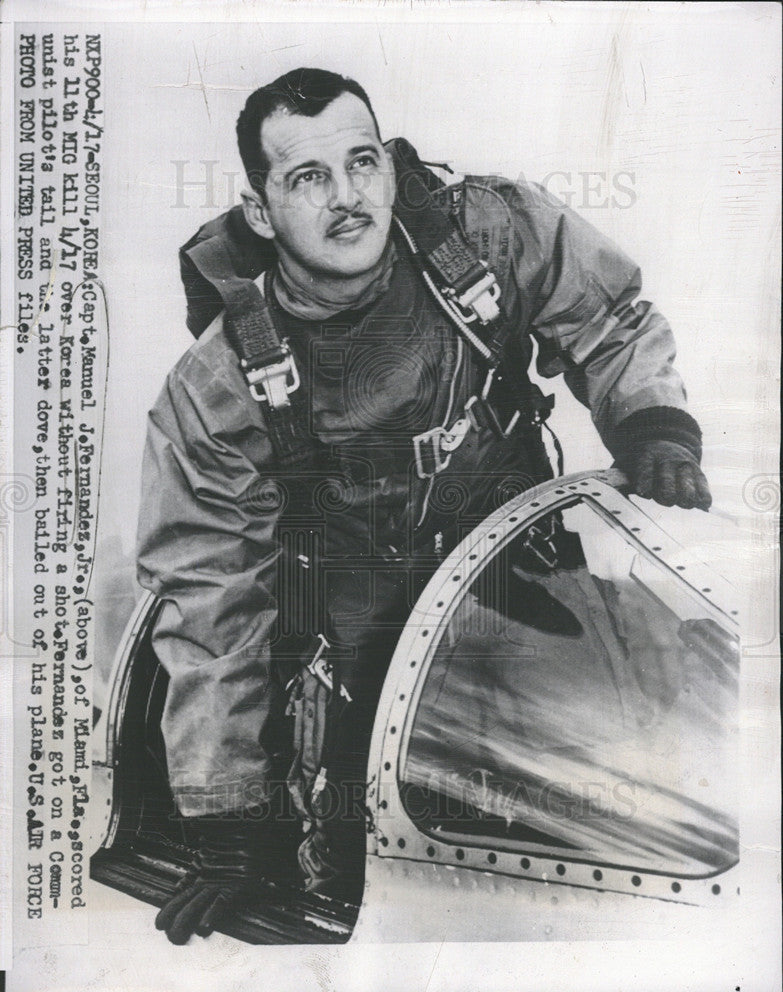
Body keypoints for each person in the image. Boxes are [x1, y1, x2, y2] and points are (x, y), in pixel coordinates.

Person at [136, 67, 711, 945]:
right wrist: (227, 823)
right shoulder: (217, 388)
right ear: (261, 211)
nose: (346, 197)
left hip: (527, 589)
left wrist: (652, 425)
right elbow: (211, 604)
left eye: (361, 163)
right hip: (363, 648)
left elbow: (610, 319)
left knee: (647, 802)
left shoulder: (482, 238)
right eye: (307, 178)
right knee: (381, 887)